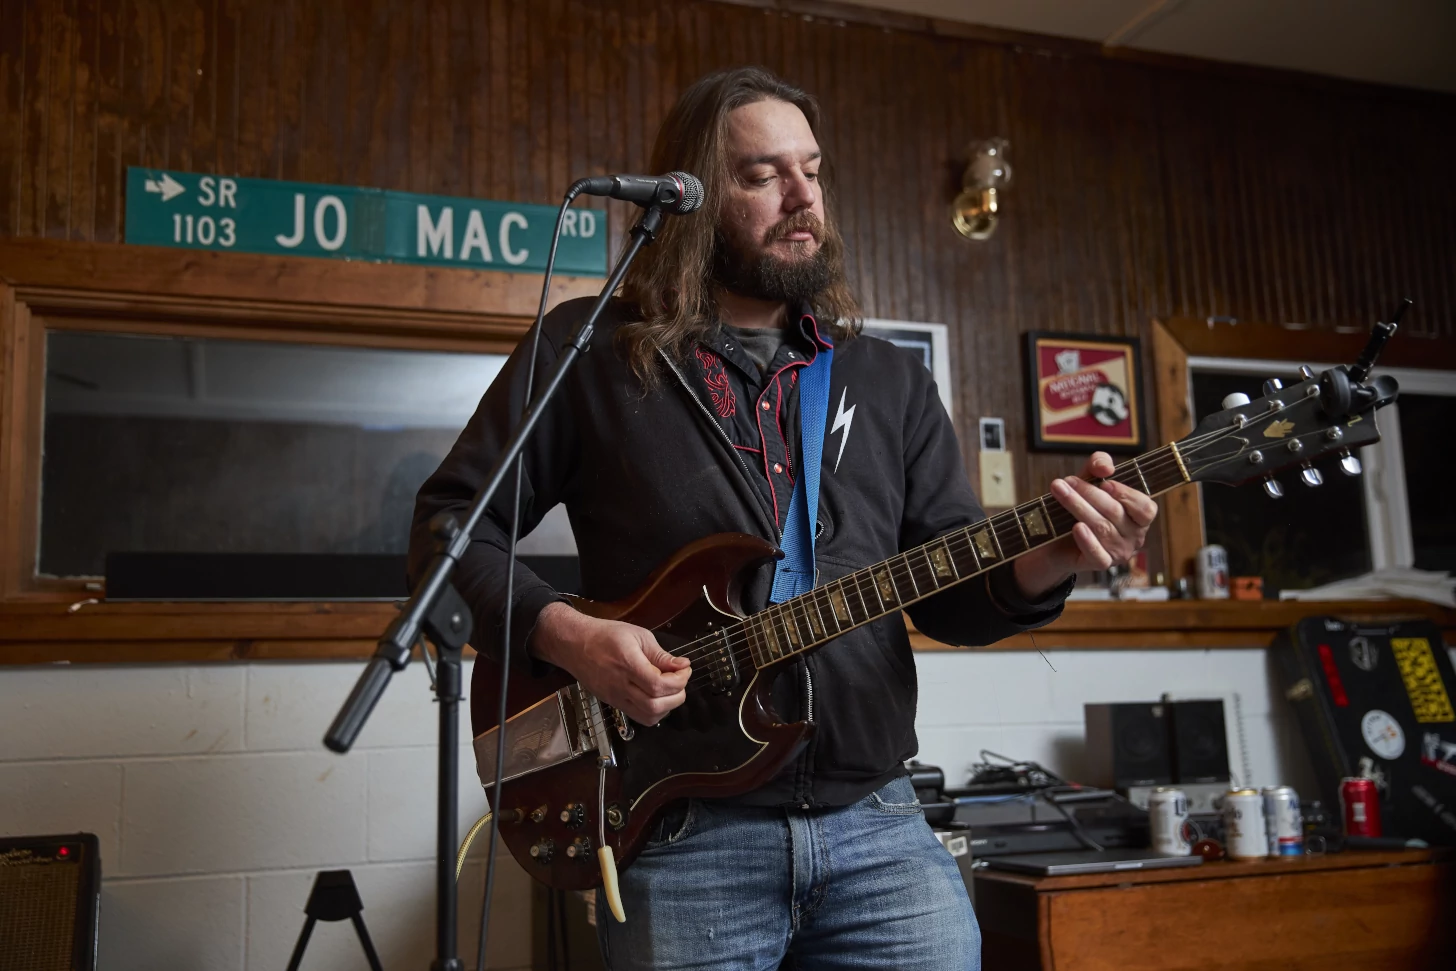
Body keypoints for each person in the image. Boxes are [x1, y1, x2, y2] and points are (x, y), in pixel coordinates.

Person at [410, 66, 1157, 971]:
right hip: (684, 836)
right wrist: (564, 634)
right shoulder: (590, 350)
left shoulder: (888, 381)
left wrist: (1054, 557)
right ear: (689, 195)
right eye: (763, 175)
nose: (804, 195)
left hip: (878, 829)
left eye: (811, 169)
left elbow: (955, 597)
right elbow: (450, 528)